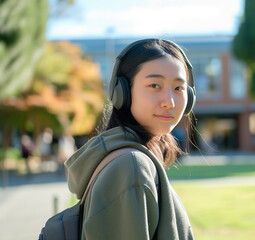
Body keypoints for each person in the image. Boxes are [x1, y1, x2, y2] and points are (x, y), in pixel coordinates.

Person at [65, 39, 196, 239]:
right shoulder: (131, 166)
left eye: (178, 88)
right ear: (122, 92)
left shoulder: (132, 160)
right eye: (154, 85)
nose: (169, 102)